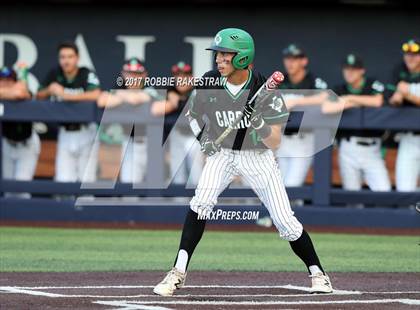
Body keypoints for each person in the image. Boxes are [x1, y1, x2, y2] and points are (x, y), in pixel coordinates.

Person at [153, 28, 333, 297]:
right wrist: (204, 138)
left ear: (242, 57)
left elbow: (275, 142)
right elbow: (191, 114)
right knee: (200, 203)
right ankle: (177, 272)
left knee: (285, 221)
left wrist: (256, 120)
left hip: (257, 157)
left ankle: (318, 274)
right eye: (218, 55)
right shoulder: (209, 81)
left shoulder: (267, 90)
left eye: (225, 55)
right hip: (222, 154)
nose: (218, 60)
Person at [322, 54, 391, 191]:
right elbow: (326, 108)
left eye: (353, 69)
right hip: (349, 147)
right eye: (347, 69)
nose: (349, 72)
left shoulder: (372, 84)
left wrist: (350, 99)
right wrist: (350, 103)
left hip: (373, 148)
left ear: (362, 70)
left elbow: (378, 101)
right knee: (352, 195)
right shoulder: (339, 88)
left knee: (384, 191)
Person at [37, 42, 101, 183]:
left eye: (70, 56)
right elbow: (38, 95)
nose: (66, 60)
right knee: (63, 181)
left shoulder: (85, 73)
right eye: (63, 57)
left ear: (77, 58)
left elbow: (96, 94)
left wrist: (66, 95)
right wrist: (49, 90)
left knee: (87, 183)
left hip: (86, 132)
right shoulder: (55, 73)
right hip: (65, 133)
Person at [97, 58, 163, 183]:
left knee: (154, 187)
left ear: (144, 75)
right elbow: (102, 101)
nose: (133, 78)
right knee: (129, 184)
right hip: (128, 141)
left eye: (137, 74)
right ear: (124, 74)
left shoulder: (149, 87)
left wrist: (119, 95)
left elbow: (135, 99)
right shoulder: (120, 86)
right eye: (130, 74)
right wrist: (121, 95)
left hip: (151, 143)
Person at [275, 44, 328, 191]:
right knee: (281, 189)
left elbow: (327, 97)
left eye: (295, 59)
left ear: (303, 61)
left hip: (304, 140)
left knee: (291, 187)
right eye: (287, 59)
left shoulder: (313, 80)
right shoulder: (281, 81)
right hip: (283, 140)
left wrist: (297, 100)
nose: (290, 63)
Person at [150, 61, 203, 185]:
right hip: (177, 136)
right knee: (177, 177)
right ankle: (178, 203)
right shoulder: (169, 89)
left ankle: (201, 204)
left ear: (192, 77)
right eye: (178, 75)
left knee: (197, 177)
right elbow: (155, 110)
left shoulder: (199, 89)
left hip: (196, 138)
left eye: (185, 75)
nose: (182, 79)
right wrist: (173, 100)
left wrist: (178, 102)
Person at [0, 66, 40, 194]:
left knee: (21, 190)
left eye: (9, 80)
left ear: (16, 81)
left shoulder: (24, 91)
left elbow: (20, 93)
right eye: (2, 80)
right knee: (8, 191)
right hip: (7, 144)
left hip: (26, 144)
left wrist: (23, 74)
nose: (6, 83)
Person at [388, 39, 420, 192]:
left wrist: (406, 93)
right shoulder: (399, 71)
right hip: (408, 138)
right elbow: (392, 99)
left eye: (415, 54)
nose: (411, 57)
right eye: (408, 54)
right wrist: (399, 95)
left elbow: (402, 92)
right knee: (404, 191)